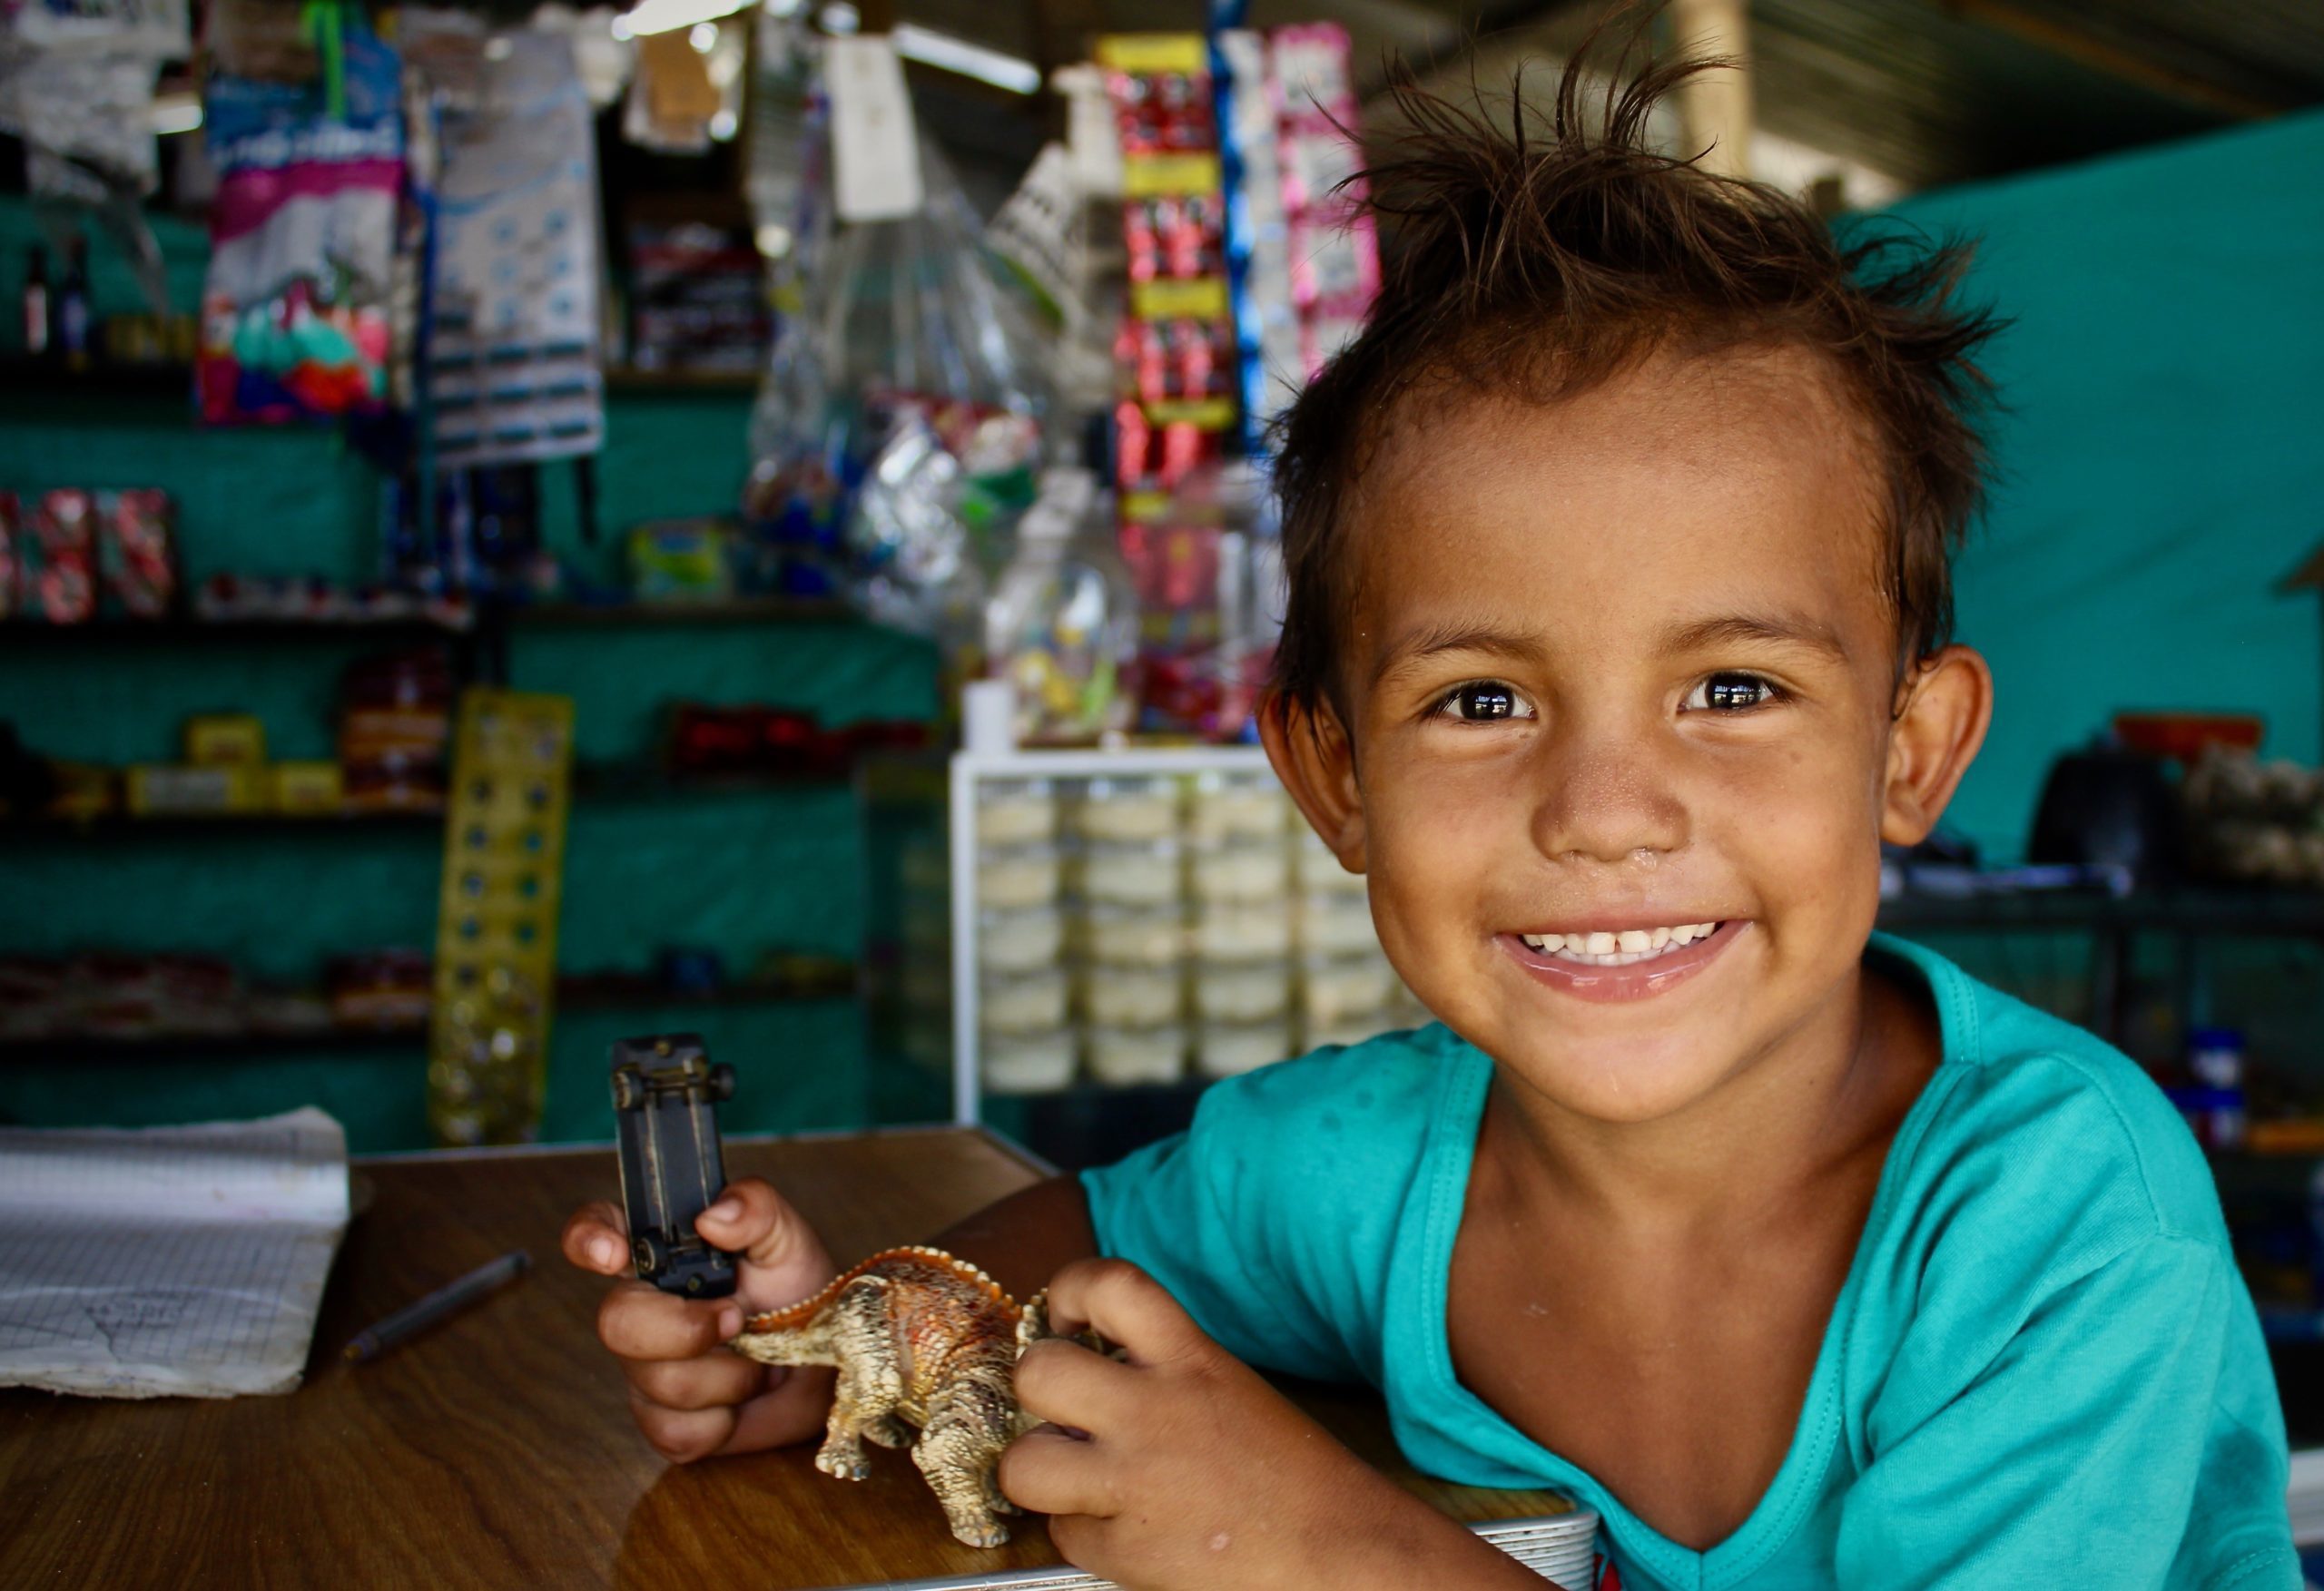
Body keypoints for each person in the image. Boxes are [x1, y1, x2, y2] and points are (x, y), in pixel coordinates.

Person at [561, 47, 2297, 1591]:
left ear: (1912, 749)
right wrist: (855, 1330)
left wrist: (1331, 1547)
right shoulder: (1368, 1165)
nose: (1605, 814)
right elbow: (1072, 1236)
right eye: (1481, 701)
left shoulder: (2055, 1228)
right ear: (1334, 777)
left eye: (1733, 687)